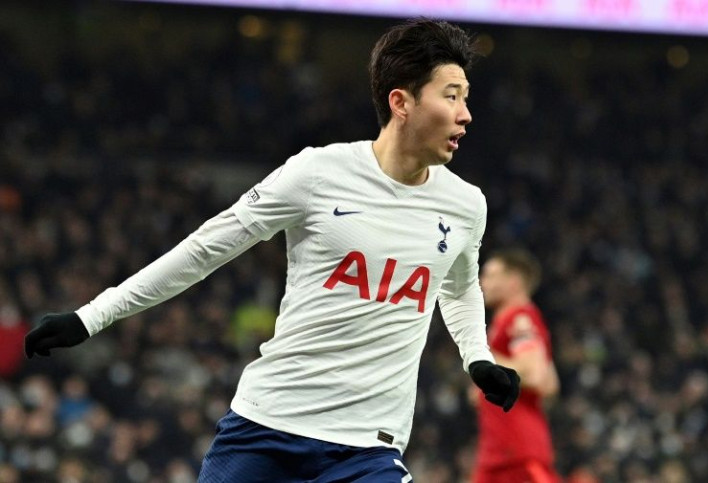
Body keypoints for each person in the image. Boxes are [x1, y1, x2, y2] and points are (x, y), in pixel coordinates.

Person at [24, 18, 521, 482]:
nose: (465, 114)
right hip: (268, 427)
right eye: (451, 96)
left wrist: (476, 358)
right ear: (401, 102)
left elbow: (457, 289)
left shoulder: (464, 204)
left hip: (370, 448)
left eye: (466, 97)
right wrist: (92, 316)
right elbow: (205, 250)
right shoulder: (317, 174)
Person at [473, 248, 560, 483]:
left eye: (490, 275)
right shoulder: (510, 324)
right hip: (498, 453)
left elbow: (533, 375)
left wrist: (477, 355)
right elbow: (550, 384)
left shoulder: (521, 319)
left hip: (517, 455)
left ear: (513, 281)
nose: (482, 282)